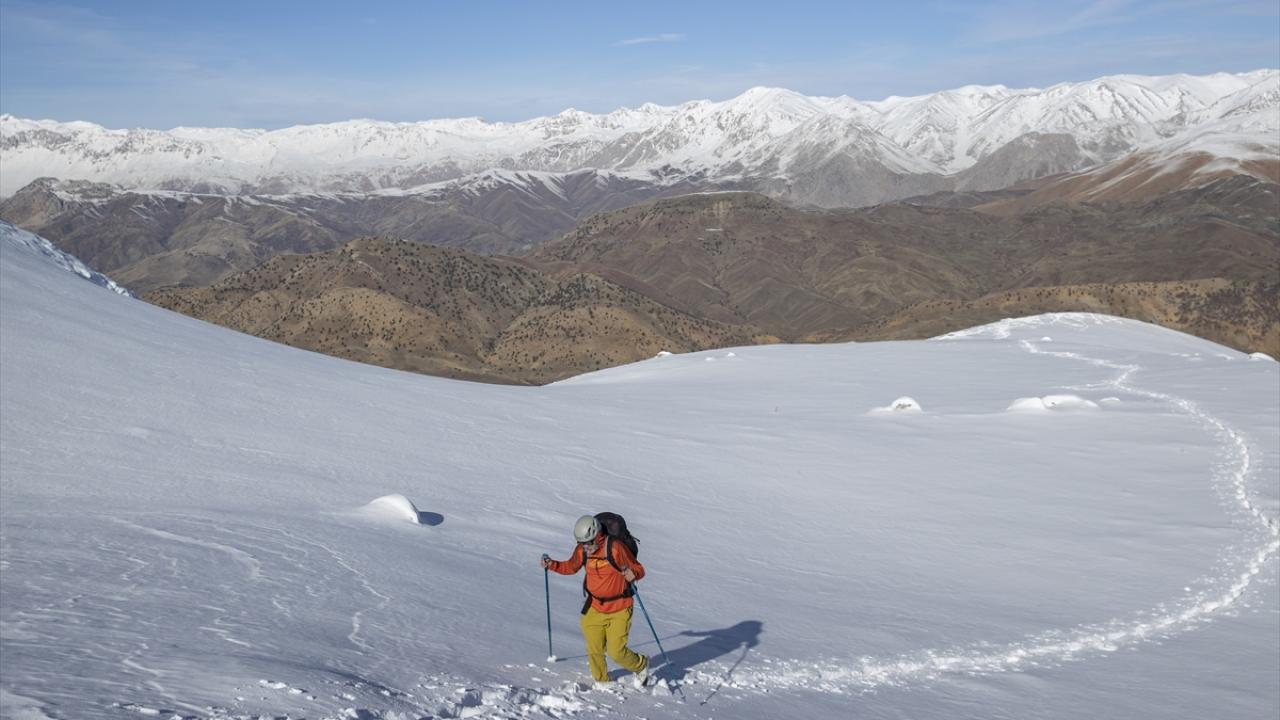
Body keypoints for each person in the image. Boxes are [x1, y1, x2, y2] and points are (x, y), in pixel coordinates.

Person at [542, 514, 650, 686]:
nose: (586, 547)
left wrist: (633, 574)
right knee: (594, 649)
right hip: (594, 607)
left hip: (620, 607)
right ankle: (602, 683)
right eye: (582, 543)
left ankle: (641, 664)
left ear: (598, 536)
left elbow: (639, 569)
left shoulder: (614, 548)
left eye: (588, 543)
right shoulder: (582, 550)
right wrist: (552, 564)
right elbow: (571, 567)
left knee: (616, 652)